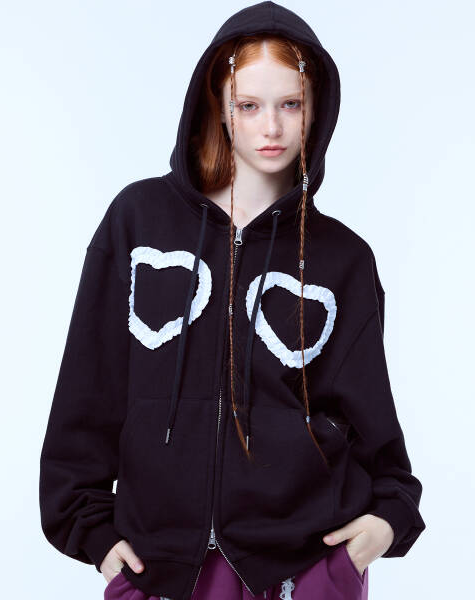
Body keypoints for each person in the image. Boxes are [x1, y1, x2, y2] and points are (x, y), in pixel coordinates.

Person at [39, 2, 426, 599]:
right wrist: (90, 530)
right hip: (159, 567)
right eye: (250, 105)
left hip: (302, 570)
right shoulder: (138, 221)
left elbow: (373, 424)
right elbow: (90, 383)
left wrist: (384, 523)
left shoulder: (342, 258)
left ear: (315, 108)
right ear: (220, 106)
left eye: (290, 104)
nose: (271, 127)